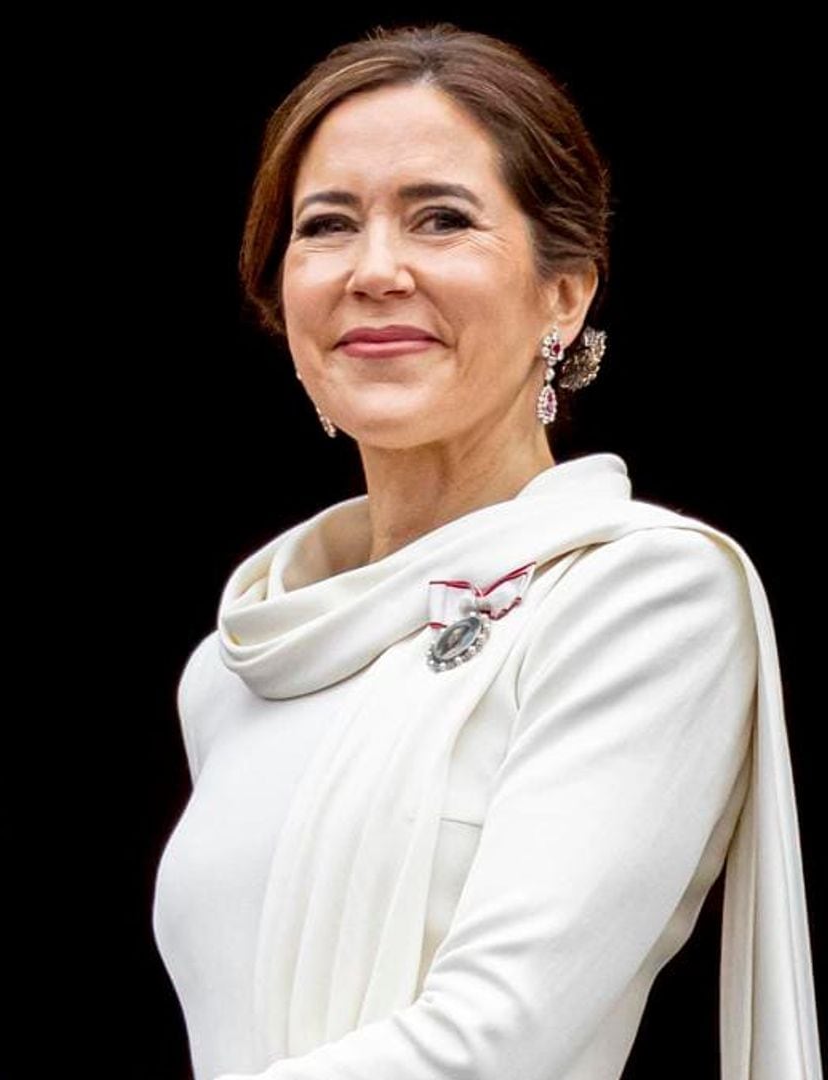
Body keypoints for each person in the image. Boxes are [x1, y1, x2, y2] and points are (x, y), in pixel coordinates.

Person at [151, 24, 818, 1080]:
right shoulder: (240, 659)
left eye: (442, 219)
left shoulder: (643, 595)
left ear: (566, 294)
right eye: (327, 226)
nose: (375, 270)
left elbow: (495, 1043)